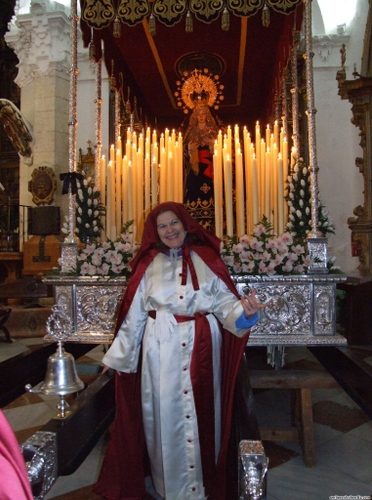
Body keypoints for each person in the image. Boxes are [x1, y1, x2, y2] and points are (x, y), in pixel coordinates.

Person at [94, 201, 267, 500]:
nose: (169, 229)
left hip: (203, 348)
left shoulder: (206, 258)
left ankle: (202, 484)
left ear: (185, 224)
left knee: (204, 414)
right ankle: (168, 486)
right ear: (155, 232)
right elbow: (134, 315)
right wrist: (117, 358)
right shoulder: (147, 266)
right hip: (160, 349)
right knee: (164, 416)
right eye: (162, 226)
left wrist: (246, 311)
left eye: (173, 223)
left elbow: (225, 304)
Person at [183, 104, 219, 232]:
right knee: (194, 190)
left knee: (213, 192)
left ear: (207, 116)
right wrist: (190, 148)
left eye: (203, 114)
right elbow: (184, 151)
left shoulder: (213, 130)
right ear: (195, 116)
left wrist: (213, 145)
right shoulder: (191, 132)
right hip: (196, 168)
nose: (201, 117)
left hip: (210, 168)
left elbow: (222, 149)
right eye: (199, 114)